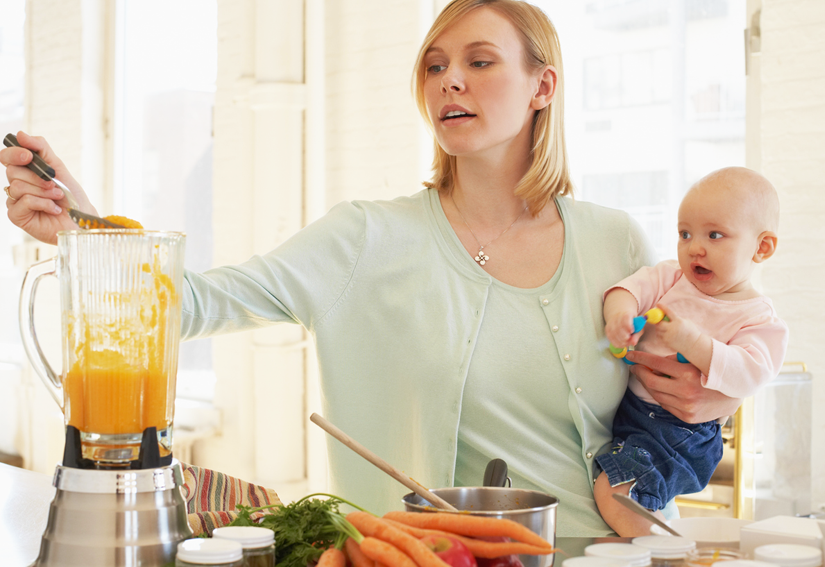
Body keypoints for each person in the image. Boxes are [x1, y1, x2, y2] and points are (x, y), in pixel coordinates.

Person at [1, 0, 743, 536]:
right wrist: (86, 226)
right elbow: (191, 303)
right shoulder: (364, 237)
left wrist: (708, 387)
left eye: (479, 62)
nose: (449, 80)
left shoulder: (614, 240)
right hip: (423, 557)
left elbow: (683, 379)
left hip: (614, 555)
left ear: (541, 87)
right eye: (434, 66)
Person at [594, 167, 789, 536]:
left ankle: (663, 549)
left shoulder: (758, 317)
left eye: (715, 235)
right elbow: (628, 289)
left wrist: (693, 343)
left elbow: (750, 373)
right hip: (632, 414)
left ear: (761, 247)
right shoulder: (671, 276)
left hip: (681, 433)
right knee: (611, 481)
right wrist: (619, 314)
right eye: (685, 234)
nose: (694, 247)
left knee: (618, 491)